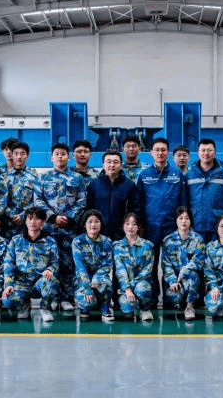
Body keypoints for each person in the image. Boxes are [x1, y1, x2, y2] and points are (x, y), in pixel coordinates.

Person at [33, 142, 87, 311]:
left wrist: (69, 217)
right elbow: (38, 200)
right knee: (49, 263)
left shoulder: (77, 178)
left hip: (70, 229)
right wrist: (53, 217)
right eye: (57, 154)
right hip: (49, 229)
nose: (60, 156)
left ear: (68, 157)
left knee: (68, 263)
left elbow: (82, 201)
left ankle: (66, 298)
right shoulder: (42, 178)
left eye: (63, 154)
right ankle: (52, 298)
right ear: (51, 157)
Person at [135, 137, 186, 302]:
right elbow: (138, 202)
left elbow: (183, 201)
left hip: (172, 226)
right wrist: (140, 225)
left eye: (163, 150)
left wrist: (182, 224)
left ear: (168, 152)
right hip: (151, 226)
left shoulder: (177, 174)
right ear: (151, 152)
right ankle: (152, 297)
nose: (160, 153)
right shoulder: (144, 175)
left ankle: (172, 297)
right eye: (156, 150)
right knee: (150, 264)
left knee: (173, 264)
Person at [1, 206, 59, 322]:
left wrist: (50, 270)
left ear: (42, 222)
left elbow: (55, 262)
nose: (33, 222)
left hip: (40, 282)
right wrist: (8, 284)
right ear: (25, 221)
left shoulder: (50, 241)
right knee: (7, 299)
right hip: (21, 283)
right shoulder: (16, 240)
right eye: (30, 218)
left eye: (37, 219)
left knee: (52, 281)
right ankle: (24, 305)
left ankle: (45, 308)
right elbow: (8, 264)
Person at [186, 138, 223, 241]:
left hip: (219, 229)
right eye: (203, 150)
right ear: (198, 153)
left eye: (209, 150)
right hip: (195, 228)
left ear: (215, 153)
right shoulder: (189, 175)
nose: (206, 153)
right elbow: (185, 201)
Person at [161, 206, 205, 320]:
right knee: (174, 296)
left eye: (186, 218)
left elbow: (198, 261)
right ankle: (180, 305)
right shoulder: (168, 241)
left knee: (193, 275)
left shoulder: (198, 239)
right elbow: (166, 265)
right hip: (175, 281)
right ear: (176, 221)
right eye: (180, 218)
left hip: (190, 281)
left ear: (191, 220)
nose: (183, 221)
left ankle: (190, 307)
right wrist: (173, 281)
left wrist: (184, 272)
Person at [72, 210, 116, 321]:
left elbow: (108, 265)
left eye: (97, 221)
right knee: (84, 300)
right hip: (83, 278)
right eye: (90, 221)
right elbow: (80, 267)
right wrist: (87, 287)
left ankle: (105, 309)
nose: (93, 225)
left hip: (100, 277)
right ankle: (85, 310)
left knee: (107, 284)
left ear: (101, 224)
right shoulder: (77, 242)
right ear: (84, 224)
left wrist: (96, 278)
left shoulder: (106, 241)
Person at [86, 150, 139, 240]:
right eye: (109, 162)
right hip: (99, 234)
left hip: (122, 234)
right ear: (103, 165)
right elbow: (89, 209)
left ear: (121, 165)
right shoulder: (94, 185)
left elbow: (135, 209)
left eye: (115, 162)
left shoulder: (129, 185)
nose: (112, 165)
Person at [113, 213, 155, 321]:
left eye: (134, 224)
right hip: (125, 287)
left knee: (142, 289)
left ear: (138, 227)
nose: (130, 227)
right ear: (123, 226)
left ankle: (145, 309)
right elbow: (120, 270)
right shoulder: (117, 246)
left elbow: (147, 269)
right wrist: (127, 288)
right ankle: (132, 308)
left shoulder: (147, 245)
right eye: (127, 224)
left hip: (141, 284)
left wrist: (133, 285)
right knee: (127, 309)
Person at [3, 142, 39, 239]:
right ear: (12, 155)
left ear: (27, 156)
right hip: (8, 223)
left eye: (22, 153)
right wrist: (11, 215)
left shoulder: (34, 176)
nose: (19, 157)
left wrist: (23, 215)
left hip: (28, 222)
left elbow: (37, 199)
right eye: (16, 153)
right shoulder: (4, 177)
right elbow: (1, 200)